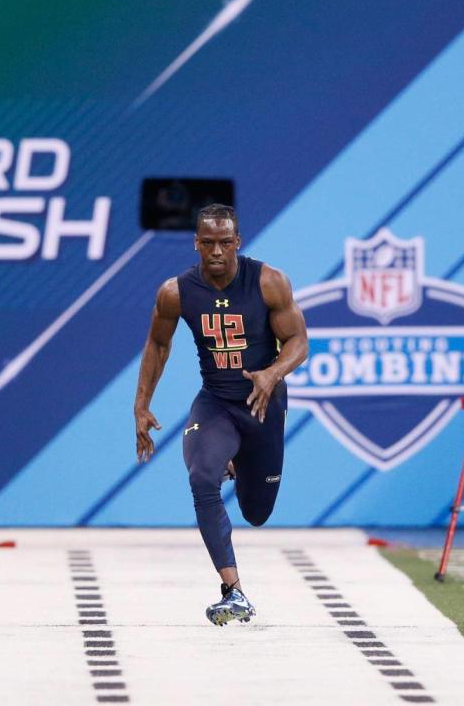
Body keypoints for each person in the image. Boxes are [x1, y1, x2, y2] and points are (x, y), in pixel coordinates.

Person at [133, 204, 308, 626]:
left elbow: (299, 340)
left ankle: (239, 460)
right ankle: (234, 591)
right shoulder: (176, 292)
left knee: (256, 513)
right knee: (201, 476)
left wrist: (273, 372)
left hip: (262, 405)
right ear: (196, 243)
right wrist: (141, 404)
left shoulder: (268, 282)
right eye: (207, 242)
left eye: (224, 242)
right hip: (215, 403)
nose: (215, 251)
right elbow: (158, 345)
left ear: (237, 242)